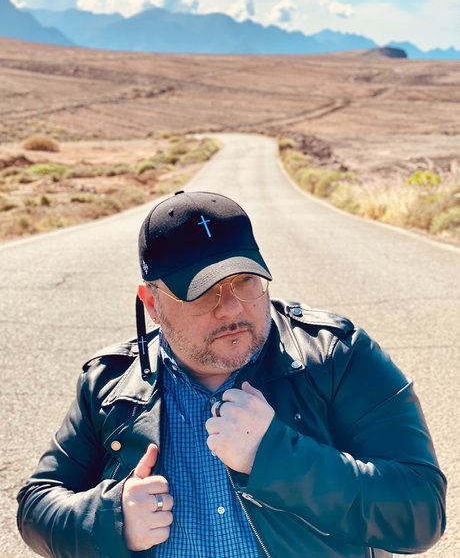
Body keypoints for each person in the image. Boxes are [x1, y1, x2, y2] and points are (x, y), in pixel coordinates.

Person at [17, 190, 446, 558]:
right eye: (201, 291)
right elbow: (36, 505)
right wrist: (111, 518)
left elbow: (422, 510)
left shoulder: (335, 357)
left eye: (244, 280)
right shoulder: (109, 385)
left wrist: (277, 457)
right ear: (152, 304)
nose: (231, 308)